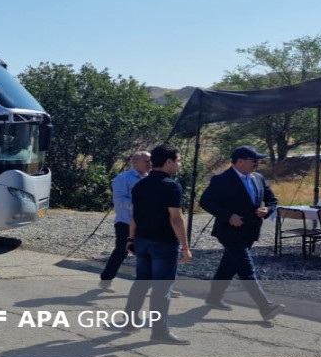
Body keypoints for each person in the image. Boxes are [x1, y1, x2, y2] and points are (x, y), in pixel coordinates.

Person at [198, 145, 285, 324]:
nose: (257, 164)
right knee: (246, 268)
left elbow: (272, 200)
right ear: (240, 161)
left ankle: (213, 298)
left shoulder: (258, 178)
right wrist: (228, 216)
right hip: (229, 231)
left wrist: (267, 209)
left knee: (229, 265)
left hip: (250, 231)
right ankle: (265, 307)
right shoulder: (221, 179)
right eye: (254, 161)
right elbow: (206, 201)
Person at [119, 144, 191, 344]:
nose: (179, 164)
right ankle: (159, 331)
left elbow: (135, 215)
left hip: (142, 241)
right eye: (177, 160)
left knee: (141, 283)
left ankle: (129, 322)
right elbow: (176, 219)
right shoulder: (172, 186)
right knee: (162, 289)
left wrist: (131, 239)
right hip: (164, 243)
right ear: (168, 162)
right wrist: (185, 247)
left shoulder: (140, 185)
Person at [98, 150, 151, 291]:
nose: (150, 164)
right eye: (146, 161)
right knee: (122, 250)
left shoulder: (149, 178)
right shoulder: (122, 179)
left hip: (144, 221)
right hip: (125, 221)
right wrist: (140, 204)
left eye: (150, 161)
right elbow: (120, 200)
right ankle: (106, 279)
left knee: (150, 251)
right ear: (135, 163)